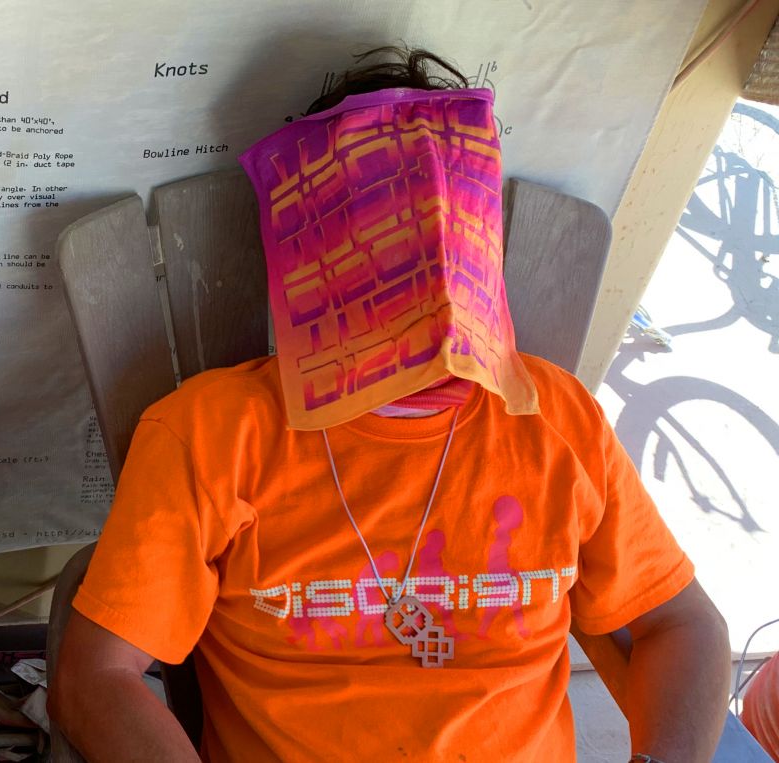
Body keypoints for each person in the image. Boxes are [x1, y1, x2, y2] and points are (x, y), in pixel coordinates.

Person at [50, 47, 730, 762]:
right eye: (388, 235)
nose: (429, 283)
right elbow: (95, 678)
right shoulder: (213, 434)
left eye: (450, 225)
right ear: (316, 254)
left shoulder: (558, 420)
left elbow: (682, 623)